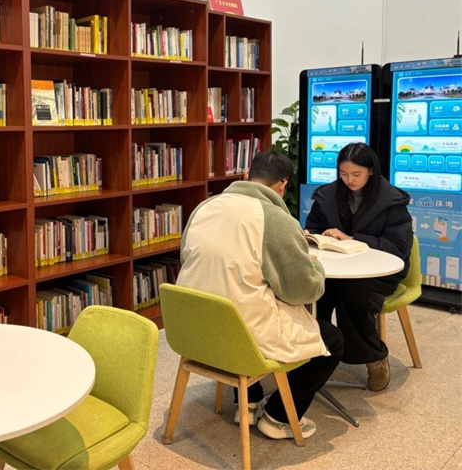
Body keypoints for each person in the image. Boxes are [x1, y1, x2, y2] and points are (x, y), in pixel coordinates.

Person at [176, 151, 343, 440]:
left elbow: (188, 259)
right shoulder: (275, 219)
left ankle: (248, 401)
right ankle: (278, 417)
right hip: (241, 337)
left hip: (194, 331)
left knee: (232, 295)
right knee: (333, 340)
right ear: (283, 185)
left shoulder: (204, 207)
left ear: (246, 176)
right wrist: (314, 266)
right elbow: (302, 290)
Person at [306, 142, 412, 391]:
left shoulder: (391, 201)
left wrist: (353, 240)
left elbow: (398, 246)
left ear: (371, 171)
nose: (349, 180)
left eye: (356, 174)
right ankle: (314, 352)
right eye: (343, 174)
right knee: (311, 289)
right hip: (334, 268)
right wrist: (314, 235)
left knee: (351, 292)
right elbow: (313, 226)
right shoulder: (327, 196)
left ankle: (373, 357)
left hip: (378, 272)